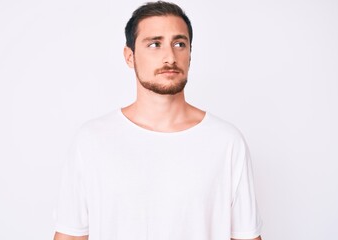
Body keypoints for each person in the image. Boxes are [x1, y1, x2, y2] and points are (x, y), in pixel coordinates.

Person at [53, 1, 263, 240]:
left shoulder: (226, 142)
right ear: (130, 56)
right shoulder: (92, 140)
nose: (169, 56)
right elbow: (70, 235)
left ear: (190, 54)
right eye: (155, 44)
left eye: (179, 44)